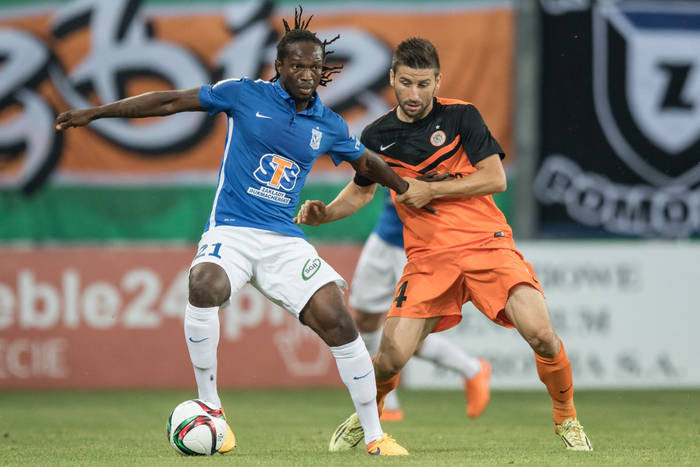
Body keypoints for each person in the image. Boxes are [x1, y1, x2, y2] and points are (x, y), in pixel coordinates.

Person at [54, 8, 410, 456]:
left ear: (324, 71)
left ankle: (375, 436)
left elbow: (367, 163)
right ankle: (211, 405)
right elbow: (170, 101)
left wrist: (405, 188)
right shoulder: (243, 93)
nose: (306, 74)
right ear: (279, 65)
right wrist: (96, 113)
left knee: (338, 319)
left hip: (283, 241)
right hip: (233, 231)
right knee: (204, 284)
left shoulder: (329, 125)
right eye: (297, 65)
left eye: (314, 67)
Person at [295, 37, 593, 452]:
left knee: (541, 334)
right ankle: (369, 416)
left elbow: (495, 178)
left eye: (423, 84)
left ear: (438, 81)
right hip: (429, 259)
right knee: (390, 359)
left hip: (487, 245)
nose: (414, 94)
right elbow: (361, 191)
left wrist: (431, 190)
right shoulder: (377, 135)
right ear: (392, 78)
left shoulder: (461, 117)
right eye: (406, 83)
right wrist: (325, 214)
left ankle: (567, 419)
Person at [348, 190, 491, 422]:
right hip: (384, 237)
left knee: (409, 336)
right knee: (365, 320)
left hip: (423, 245)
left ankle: (471, 369)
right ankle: (388, 406)